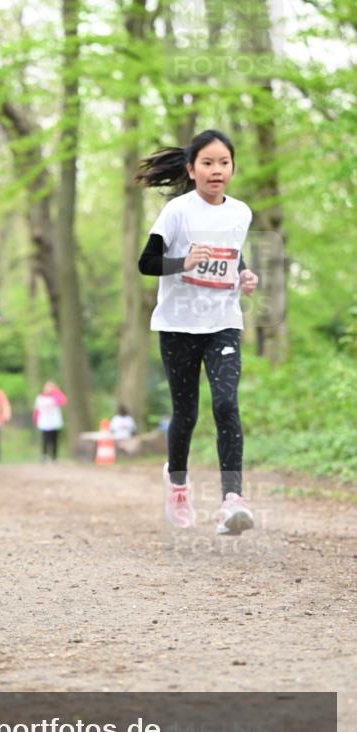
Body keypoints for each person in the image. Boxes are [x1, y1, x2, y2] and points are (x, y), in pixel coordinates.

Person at [137, 129, 259, 536]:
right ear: (191, 170)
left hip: (223, 323)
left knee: (226, 404)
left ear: (232, 168)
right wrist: (183, 263)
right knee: (186, 415)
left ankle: (232, 499)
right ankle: (177, 485)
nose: (216, 170)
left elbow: (232, 255)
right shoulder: (177, 212)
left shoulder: (241, 213)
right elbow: (147, 262)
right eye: (207, 163)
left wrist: (244, 275)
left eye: (224, 162)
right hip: (177, 326)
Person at [33, 381, 67, 461]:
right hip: (44, 421)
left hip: (54, 421)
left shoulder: (55, 397)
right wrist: (35, 419)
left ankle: (54, 456)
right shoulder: (40, 397)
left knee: (54, 438)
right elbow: (37, 409)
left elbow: (63, 400)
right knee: (45, 438)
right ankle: (44, 455)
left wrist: (57, 391)